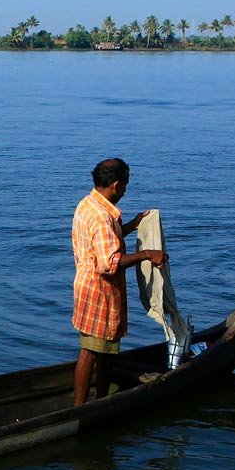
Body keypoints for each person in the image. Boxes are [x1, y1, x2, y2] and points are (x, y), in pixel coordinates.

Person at [71, 158, 167, 406]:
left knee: (97, 350)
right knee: (92, 352)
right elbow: (109, 262)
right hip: (99, 293)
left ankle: (94, 401)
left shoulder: (88, 204)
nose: (125, 191)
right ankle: (85, 407)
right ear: (115, 185)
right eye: (124, 186)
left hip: (85, 286)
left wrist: (133, 225)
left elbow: (105, 242)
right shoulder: (102, 217)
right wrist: (148, 254)